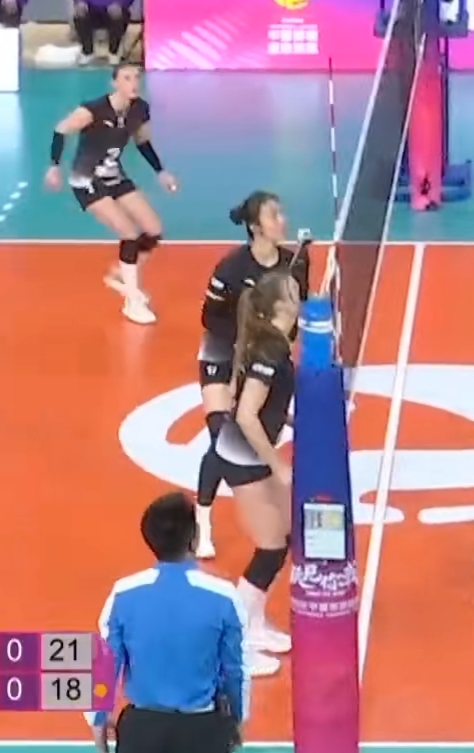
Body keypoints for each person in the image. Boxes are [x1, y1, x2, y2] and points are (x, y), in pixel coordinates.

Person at [194, 191, 312, 559]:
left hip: (260, 352)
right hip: (223, 350)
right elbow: (210, 317)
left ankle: (274, 517)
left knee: (240, 429)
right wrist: (242, 354)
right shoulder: (230, 269)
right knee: (222, 436)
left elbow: (294, 314)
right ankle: (202, 522)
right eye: (274, 215)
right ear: (254, 226)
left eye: (281, 213)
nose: (282, 221)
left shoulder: (293, 263)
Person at [90, 491, 247, 753]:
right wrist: (236, 720)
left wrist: (98, 723)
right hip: (203, 733)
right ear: (195, 536)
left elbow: (106, 666)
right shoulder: (224, 596)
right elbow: (235, 670)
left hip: (142, 733)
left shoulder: (123, 594)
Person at [200, 271, 302, 676]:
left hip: (249, 449)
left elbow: (256, 402)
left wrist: (291, 420)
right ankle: (234, 643)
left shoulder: (273, 342)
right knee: (271, 547)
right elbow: (245, 414)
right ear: (279, 306)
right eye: (293, 292)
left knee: (284, 538)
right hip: (242, 456)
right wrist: (278, 465)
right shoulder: (270, 350)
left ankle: (255, 626)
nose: (300, 293)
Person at [44, 64, 178, 323]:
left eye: (137, 77)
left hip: (115, 176)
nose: (134, 82)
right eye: (126, 78)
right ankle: (132, 300)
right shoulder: (93, 110)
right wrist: (54, 166)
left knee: (153, 229)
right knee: (129, 233)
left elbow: (143, 142)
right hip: (86, 180)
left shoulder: (140, 109)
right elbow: (61, 129)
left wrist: (161, 172)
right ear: (114, 83)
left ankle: (121, 273)